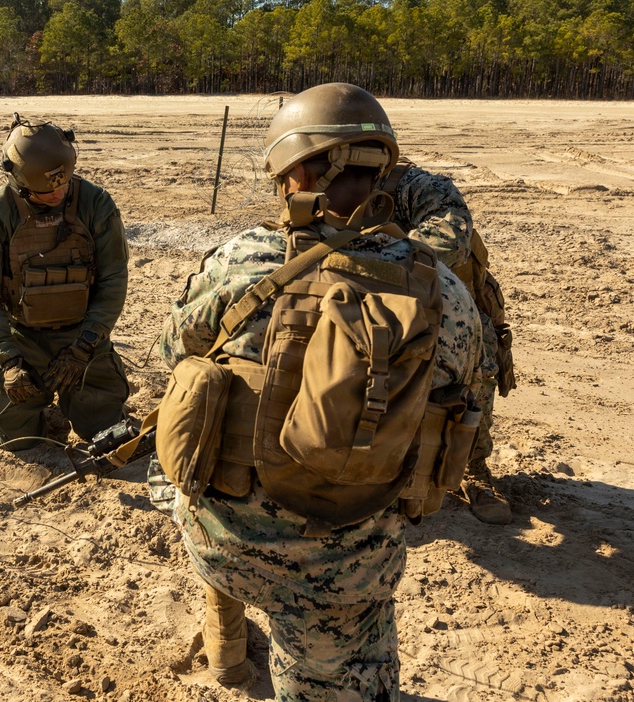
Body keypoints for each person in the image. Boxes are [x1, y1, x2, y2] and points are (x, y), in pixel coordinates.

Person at [148, 83, 483, 700]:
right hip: (346, 573)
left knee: (209, 446)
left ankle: (225, 644)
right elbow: (461, 405)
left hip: (220, 539)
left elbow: (174, 352)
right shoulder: (443, 293)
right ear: (382, 167)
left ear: (295, 169)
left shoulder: (242, 259)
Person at [0, 114, 130, 450]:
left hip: (80, 332)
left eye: (64, 184)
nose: (59, 194)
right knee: (15, 438)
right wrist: (9, 360)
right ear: (19, 184)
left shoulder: (96, 203)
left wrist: (85, 347)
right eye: (45, 192)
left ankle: (80, 399)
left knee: (107, 430)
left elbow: (114, 278)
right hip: (22, 337)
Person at [380, 161, 517, 524]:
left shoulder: (417, 185)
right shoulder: (322, 183)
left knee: (477, 368)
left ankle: (473, 467)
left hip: (447, 300)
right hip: (375, 303)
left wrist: (369, 261)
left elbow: (450, 238)